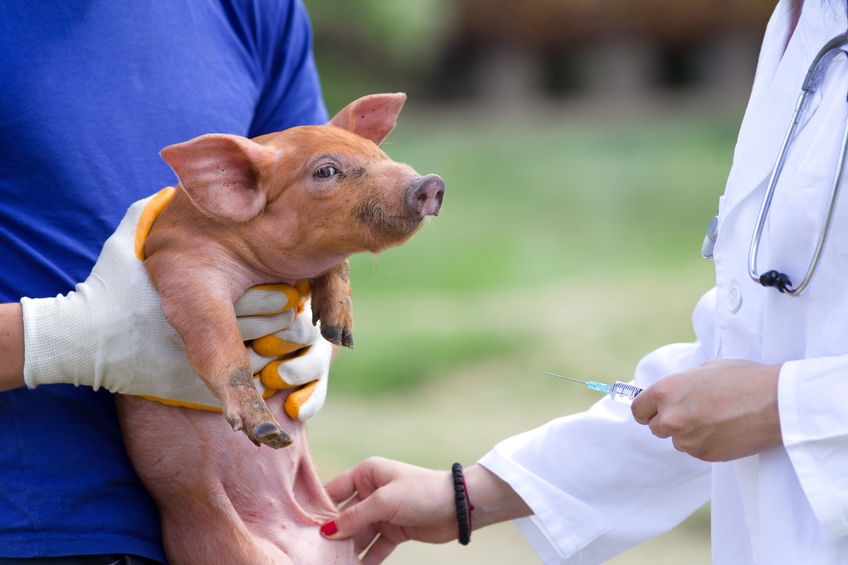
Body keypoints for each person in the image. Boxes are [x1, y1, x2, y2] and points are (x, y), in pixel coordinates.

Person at [318, 0, 848, 563]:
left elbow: (755, 390)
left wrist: (786, 406)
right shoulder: (803, 22)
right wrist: (467, 496)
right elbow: (741, 354)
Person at [0, 1, 333, 562]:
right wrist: (55, 339)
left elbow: (317, 220)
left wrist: (301, 330)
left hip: (230, 522)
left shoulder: (253, 9)